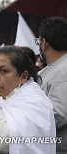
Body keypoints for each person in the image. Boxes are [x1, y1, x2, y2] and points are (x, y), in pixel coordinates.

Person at [35, 16, 67, 153]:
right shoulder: (47, 71)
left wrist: (22, 122)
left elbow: (59, 114)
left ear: (43, 43)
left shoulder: (64, 69)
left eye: (38, 41)